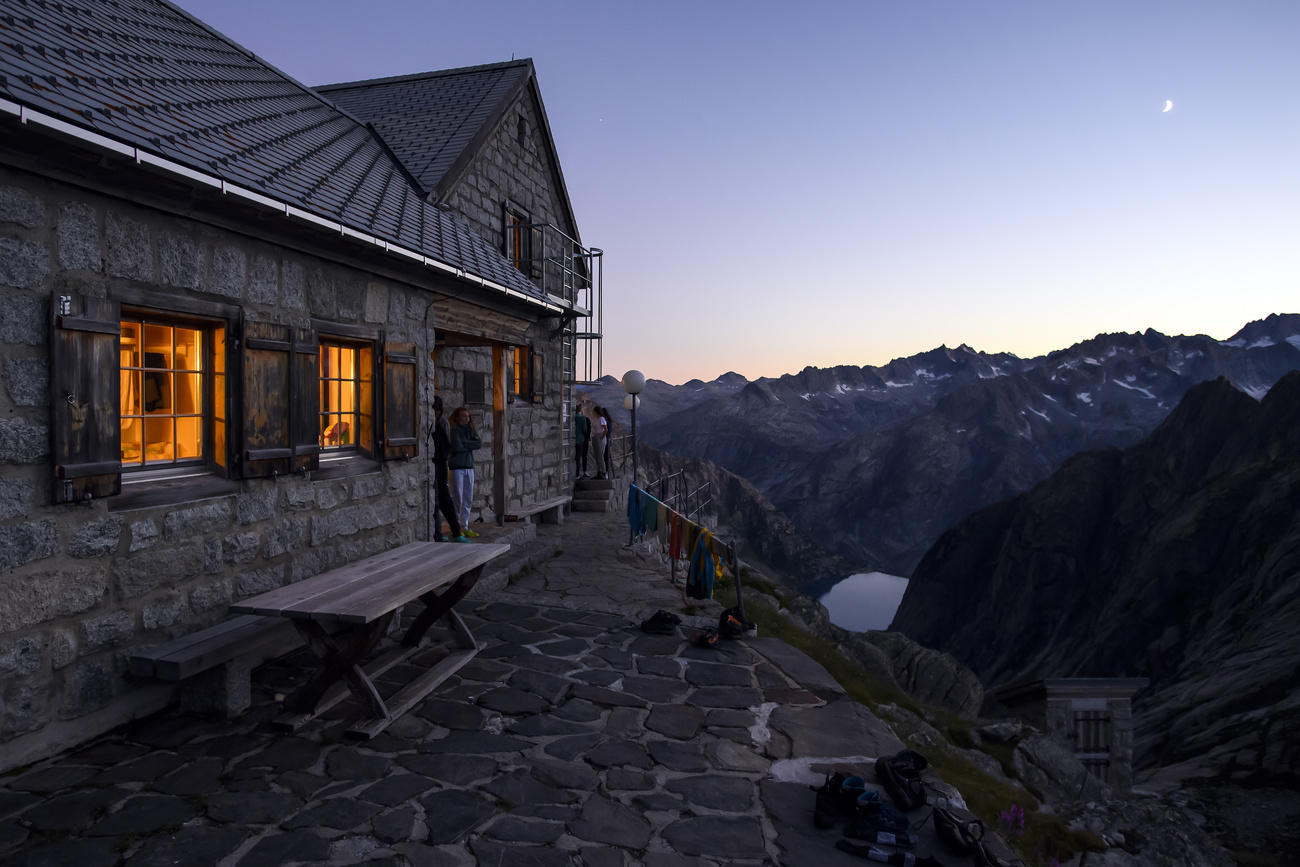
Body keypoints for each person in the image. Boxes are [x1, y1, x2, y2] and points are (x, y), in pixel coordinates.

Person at [430, 396, 470, 543]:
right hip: (433, 466)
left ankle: (456, 531)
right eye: (434, 410)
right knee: (435, 502)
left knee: (445, 499)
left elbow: (447, 446)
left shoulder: (441, 425)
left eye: (438, 411)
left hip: (440, 466)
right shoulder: (431, 426)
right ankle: (437, 534)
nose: (436, 414)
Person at [448, 406, 482, 537]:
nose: (467, 419)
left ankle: (465, 525)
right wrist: (469, 445)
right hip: (457, 468)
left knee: (468, 498)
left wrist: (465, 444)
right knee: (458, 498)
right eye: (464, 416)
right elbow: (456, 446)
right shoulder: (454, 430)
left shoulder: (471, 430)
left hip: (469, 467)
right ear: (457, 417)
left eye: (468, 416)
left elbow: (478, 443)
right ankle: (456, 527)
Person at [590, 404, 609, 479]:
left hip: (600, 436)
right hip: (595, 437)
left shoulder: (601, 418)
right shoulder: (595, 419)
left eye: (594, 411)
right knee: (596, 455)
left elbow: (605, 429)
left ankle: (604, 472)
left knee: (600, 455)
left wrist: (602, 437)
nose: (593, 413)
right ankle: (599, 471)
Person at [574, 402, 590, 479]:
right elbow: (585, 430)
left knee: (576, 457)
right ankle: (579, 473)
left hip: (573, 439)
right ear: (581, 410)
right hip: (581, 439)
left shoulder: (573, 418)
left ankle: (576, 473)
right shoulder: (583, 419)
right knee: (580, 456)